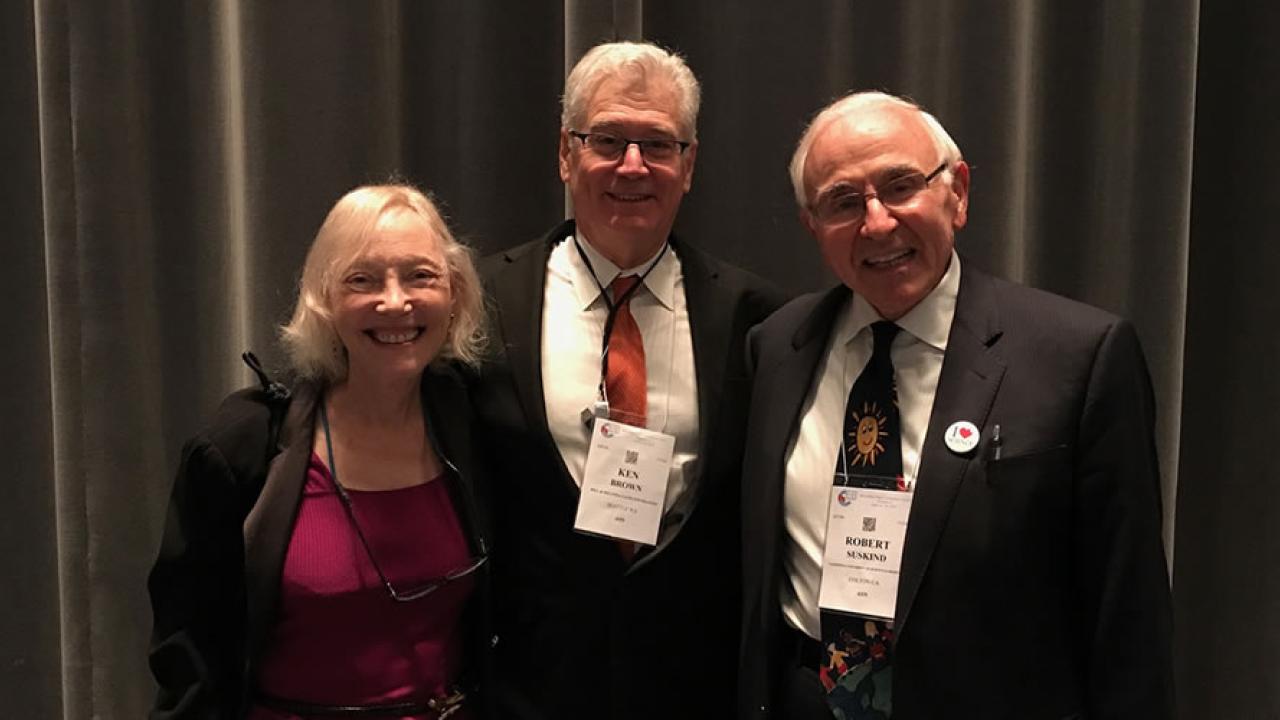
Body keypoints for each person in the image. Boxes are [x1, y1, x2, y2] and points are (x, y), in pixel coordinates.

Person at [738, 92, 1174, 719]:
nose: (877, 222)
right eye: (842, 202)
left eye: (900, 185)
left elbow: (1127, 614)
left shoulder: (1079, 356)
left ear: (958, 193)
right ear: (812, 225)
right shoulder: (777, 347)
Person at [470, 41, 785, 720]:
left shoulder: (758, 319)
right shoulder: (481, 301)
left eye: (658, 144)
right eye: (607, 139)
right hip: (533, 687)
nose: (633, 166)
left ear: (689, 164)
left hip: (696, 689)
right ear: (565, 153)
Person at [148, 184, 492, 719]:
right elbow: (189, 655)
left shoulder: (479, 425)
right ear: (325, 300)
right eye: (363, 280)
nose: (396, 301)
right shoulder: (243, 447)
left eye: (421, 276)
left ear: (456, 295)